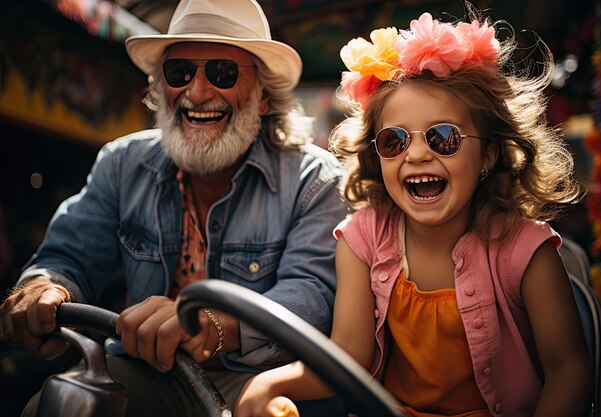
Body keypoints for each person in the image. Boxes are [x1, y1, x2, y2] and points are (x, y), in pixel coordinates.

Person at [235, 6, 594, 417]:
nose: (418, 153)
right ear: (377, 156)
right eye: (395, 141)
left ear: (487, 156)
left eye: (444, 138)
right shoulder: (361, 239)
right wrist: (268, 383)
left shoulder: (526, 249)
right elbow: (347, 353)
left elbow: (569, 369)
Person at [0, 0, 349, 415]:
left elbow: (311, 294)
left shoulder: (316, 178)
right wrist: (44, 288)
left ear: (262, 99)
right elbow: (68, 256)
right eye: (179, 72)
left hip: (267, 381)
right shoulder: (121, 163)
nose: (197, 92)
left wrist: (212, 325)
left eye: (223, 73)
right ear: (160, 87)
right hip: (150, 372)